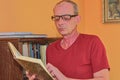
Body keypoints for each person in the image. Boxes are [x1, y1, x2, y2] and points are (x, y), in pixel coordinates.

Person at [26, 0, 110, 80]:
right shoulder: (51, 48)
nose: (60, 22)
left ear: (77, 19)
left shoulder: (93, 42)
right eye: (56, 18)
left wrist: (63, 78)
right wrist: (38, 78)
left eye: (66, 17)